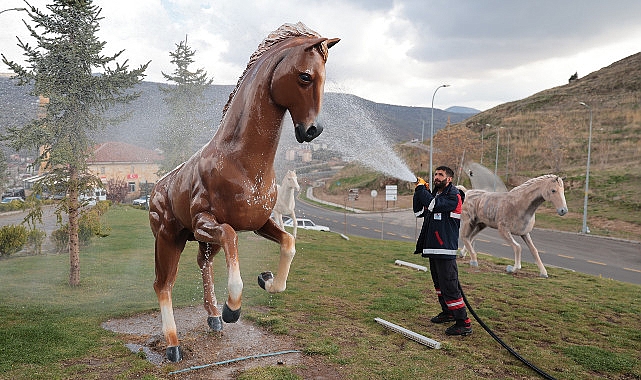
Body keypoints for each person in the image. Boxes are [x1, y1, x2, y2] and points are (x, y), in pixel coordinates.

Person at [413, 166, 472, 336]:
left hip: (445, 249)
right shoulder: (436, 195)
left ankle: (464, 322)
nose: (436, 177)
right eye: (435, 174)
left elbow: (432, 205)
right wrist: (419, 192)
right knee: (439, 285)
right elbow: (419, 212)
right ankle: (448, 313)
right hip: (433, 248)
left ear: (449, 179)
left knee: (450, 287)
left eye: (440, 175)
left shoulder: (454, 196)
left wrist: (421, 190)